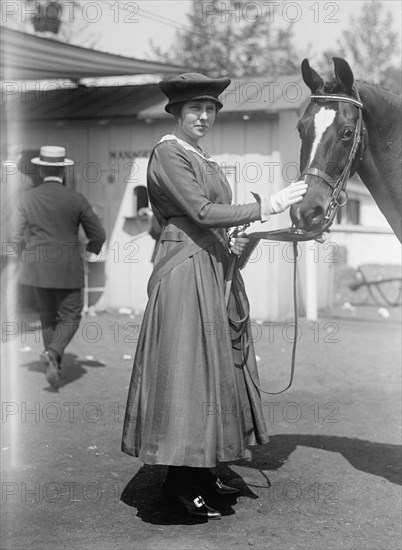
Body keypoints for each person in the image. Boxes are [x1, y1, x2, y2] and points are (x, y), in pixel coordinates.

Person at [121, 74, 307, 519]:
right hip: (185, 269)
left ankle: (201, 470)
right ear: (177, 114)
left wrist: (244, 235)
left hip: (210, 262)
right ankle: (178, 484)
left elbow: (213, 220)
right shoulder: (169, 152)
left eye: (210, 110)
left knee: (212, 368)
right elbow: (201, 212)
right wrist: (268, 205)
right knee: (188, 370)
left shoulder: (200, 155)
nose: (203, 117)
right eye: (194, 110)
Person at [10, 145, 106, 390]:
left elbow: (15, 235)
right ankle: (54, 352)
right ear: (63, 171)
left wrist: (27, 256)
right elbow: (98, 234)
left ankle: (54, 361)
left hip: (37, 269)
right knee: (72, 315)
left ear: (41, 170)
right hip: (68, 267)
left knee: (48, 317)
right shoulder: (76, 199)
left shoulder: (27, 198)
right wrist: (90, 251)